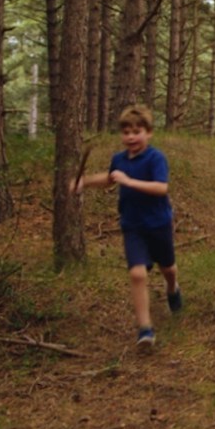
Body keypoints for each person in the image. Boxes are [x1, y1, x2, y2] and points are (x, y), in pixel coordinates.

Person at [74, 104, 182, 347]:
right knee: (137, 273)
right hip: (132, 225)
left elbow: (161, 188)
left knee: (168, 268)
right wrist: (85, 182)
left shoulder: (156, 158)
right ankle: (145, 329)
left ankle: (173, 288)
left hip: (158, 223)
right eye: (126, 132)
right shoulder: (119, 159)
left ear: (149, 133)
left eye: (137, 131)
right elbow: (111, 179)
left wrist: (130, 181)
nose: (131, 137)